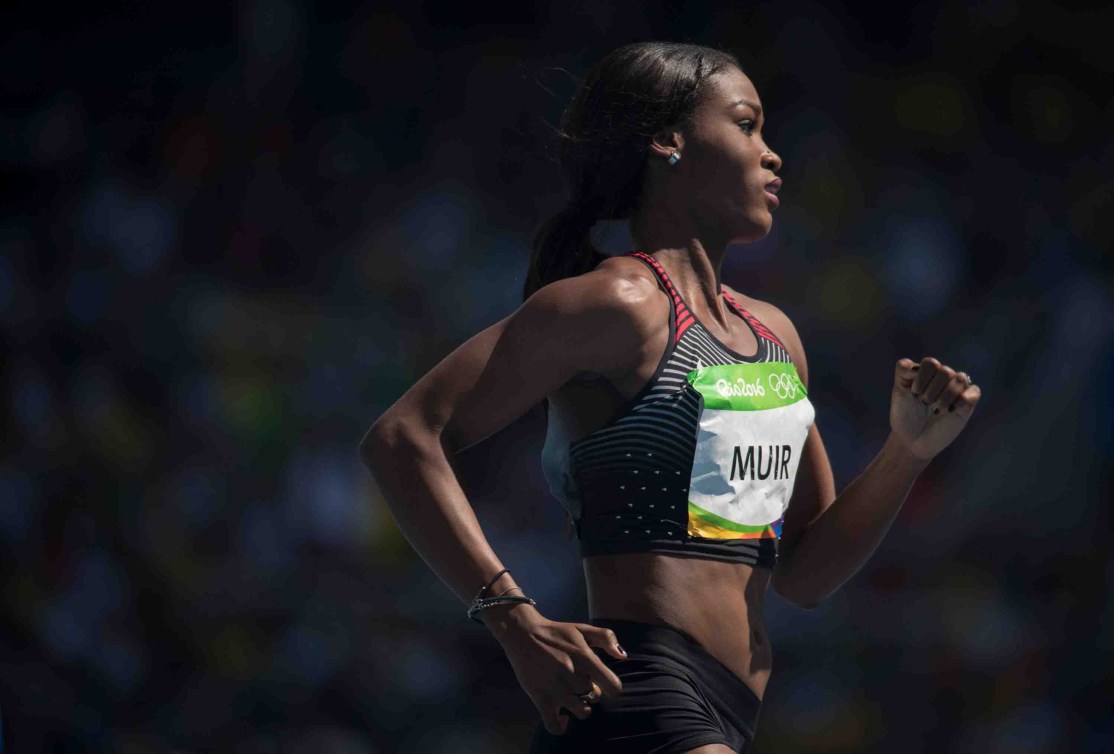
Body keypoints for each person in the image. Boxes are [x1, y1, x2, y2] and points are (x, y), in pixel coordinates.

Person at [359, 41, 982, 754]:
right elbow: (403, 436)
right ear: (668, 142)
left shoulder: (775, 336)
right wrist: (513, 619)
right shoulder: (617, 304)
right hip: (639, 691)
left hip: (729, 712)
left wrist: (906, 451)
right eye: (747, 125)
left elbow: (805, 576)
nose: (772, 154)